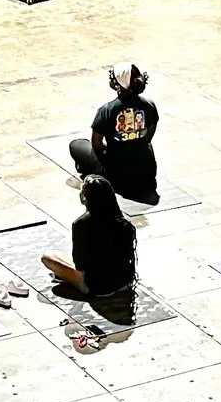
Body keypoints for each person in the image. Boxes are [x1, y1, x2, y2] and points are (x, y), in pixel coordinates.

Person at [69, 64, 161, 206]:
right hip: (146, 173)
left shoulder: (107, 110)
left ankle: (91, 170)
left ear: (118, 84)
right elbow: (150, 133)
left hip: (117, 177)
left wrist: (109, 158)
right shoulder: (149, 105)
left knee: (76, 145)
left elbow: (97, 145)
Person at [40, 177, 138, 298]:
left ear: (84, 199)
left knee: (48, 256)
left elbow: (80, 264)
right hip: (124, 283)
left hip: (98, 288)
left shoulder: (81, 224)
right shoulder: (123, 222)